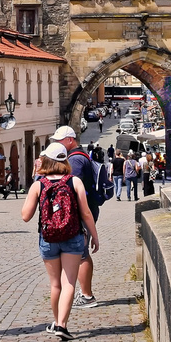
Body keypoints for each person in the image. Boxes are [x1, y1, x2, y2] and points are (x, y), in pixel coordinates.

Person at [20, 145, 99, 341]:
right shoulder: (75, 181)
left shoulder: (39, 184)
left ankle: (57, 322)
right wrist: (94, 236)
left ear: (45, 160)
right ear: (65, 161)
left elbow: (25, 216)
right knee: (69, 282)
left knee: (55, 284)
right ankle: (62, 325)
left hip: (48, 238)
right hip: (73, 236)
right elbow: (86, 213)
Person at [52, 126, 105, 309]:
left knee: (81, 253)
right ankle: (84, 293)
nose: (58, 144)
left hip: (81, 212)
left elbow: (72, 189)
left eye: (59, 141)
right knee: (80, 252)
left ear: (69, 140)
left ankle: (87, 295)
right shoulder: (79, 156)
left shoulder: (75, 160)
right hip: (85, 210)